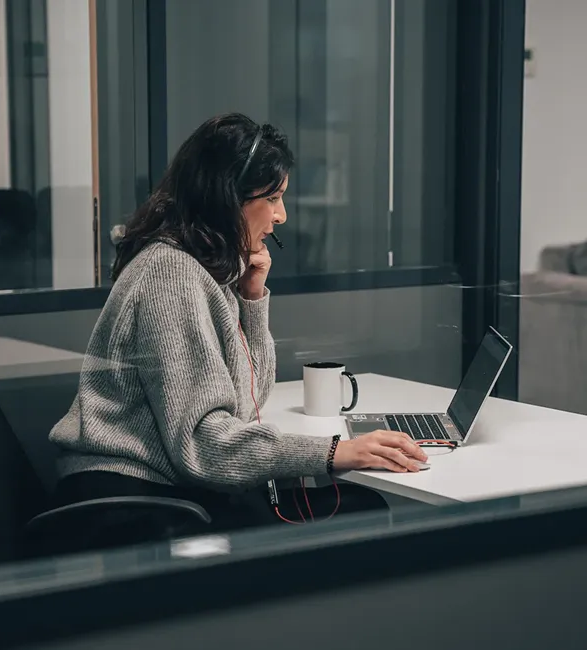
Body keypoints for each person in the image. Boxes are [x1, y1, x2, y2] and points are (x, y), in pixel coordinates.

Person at [48, 113, 428, 538]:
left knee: (360, 507)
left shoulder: (201, 267)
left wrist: (251, 298)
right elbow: (204, 445)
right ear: (229, 199)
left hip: (170, 489)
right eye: (273, 198)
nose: (281, 215)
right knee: (358, 514)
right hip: (135, 507)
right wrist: (336, 451)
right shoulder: (170, 274)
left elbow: (247, 406)